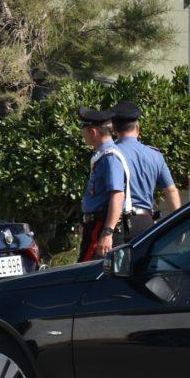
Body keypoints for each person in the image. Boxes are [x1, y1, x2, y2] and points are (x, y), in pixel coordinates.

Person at [112, 101, 180, 237]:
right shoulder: (155, 155)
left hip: (118, 224)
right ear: (137, 128)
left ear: (114, 129)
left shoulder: (111, 154)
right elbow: (171, 190)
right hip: (146, 223)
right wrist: (179, 225)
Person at [78, 106, 130, 262]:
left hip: (100, 227)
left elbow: (118, 195)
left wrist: (107, 233)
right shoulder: (103, 155)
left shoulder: (110, 157)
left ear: (93, 131)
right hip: (95, 226)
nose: (82, 134)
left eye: (83, 129)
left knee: (85, 276)